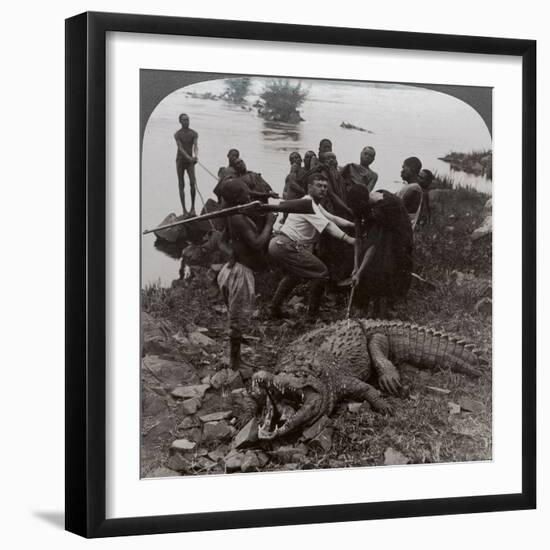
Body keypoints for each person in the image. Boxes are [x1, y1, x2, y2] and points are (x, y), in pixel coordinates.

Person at [268, 174, 355, 320]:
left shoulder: (313, 204)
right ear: (309, 188)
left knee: (293, 276)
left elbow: (332, 218)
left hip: (280, 244)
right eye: (319, 186)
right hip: (286, 244)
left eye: (325, 186)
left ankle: (274, 310)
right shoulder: (307, 205)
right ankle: (311, 316)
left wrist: (353, 225)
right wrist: (349, 239)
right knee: (321, 273)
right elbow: (328, 226)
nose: (323, 189)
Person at [217, 180, 277, 370]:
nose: (249, 195)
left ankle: (237, 357)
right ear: (237, 198)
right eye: (245, 193)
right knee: (236, 319)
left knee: (236, 316)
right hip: (240, 274)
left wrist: (230, 252)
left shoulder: (234, 214)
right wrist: (269, 222)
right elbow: (257, 244)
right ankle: (235, 361)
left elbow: (221, 241)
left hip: (232, 269)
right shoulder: (238, 218)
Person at [349, 184, 413, 318]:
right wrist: (355, 267)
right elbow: (358, 238)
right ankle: (363, 307)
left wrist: (360, 273)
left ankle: (385, 309)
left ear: (365, 203)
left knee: (387, 266)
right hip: (383, 228)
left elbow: (373, 245)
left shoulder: (384, 207)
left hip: (398, 234)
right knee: (368, 262)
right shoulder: (359, 203)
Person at [174, 113, 199, 216]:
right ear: (180, 121)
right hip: (180, 161)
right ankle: (184, 210)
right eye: (184, 120)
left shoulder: (194, 133)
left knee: (193, 183)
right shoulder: (177, 134)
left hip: (190, 163)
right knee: (181, 185)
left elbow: (196, 146)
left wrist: (196, 156)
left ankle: (193, 208)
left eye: (187, 120)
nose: (186, 122)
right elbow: (180, 148)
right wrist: (189, 158)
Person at [397, 156, 423, 226]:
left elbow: (397, 209)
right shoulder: (409, 187)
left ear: (413, 169)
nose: (402, 170)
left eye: (404, 167)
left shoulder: (414, 189)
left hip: (402, 231)